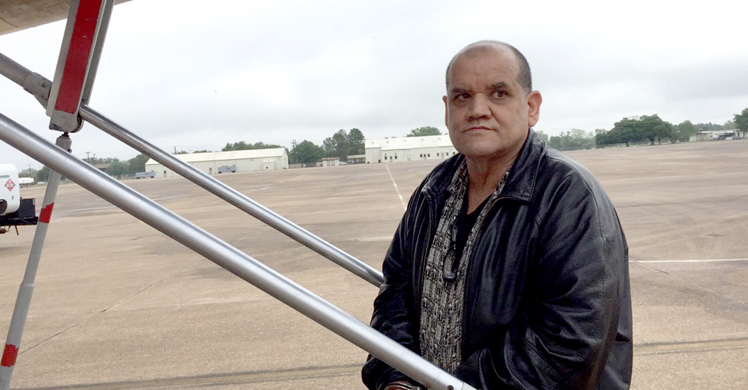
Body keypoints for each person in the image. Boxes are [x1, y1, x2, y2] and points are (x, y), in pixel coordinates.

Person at [362, 41, 632, 390]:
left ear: (532, 107)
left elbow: (568, 341)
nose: (477, 109)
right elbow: (396, 292)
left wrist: (453, 387)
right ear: (447, 111)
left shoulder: (569, 196)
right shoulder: (433, 191)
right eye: (462, 97)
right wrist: (396, 377)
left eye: (498, 93)